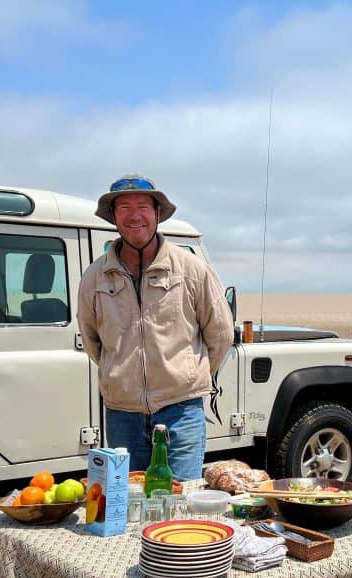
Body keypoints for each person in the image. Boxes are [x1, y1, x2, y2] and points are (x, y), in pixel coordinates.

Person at [77, 175, 234, 480]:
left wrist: (186, 376)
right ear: (113, 216)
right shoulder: (95, 277)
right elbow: (92, 339)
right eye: (124, 207)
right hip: (122, 415)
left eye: (143, 207)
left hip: (181, 412)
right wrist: (122, 377)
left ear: (158, 213)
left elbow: (221, 333)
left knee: (182, 505)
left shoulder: (191, 270)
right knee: (130, 505)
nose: (134, 216)